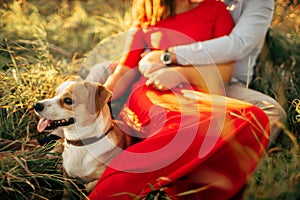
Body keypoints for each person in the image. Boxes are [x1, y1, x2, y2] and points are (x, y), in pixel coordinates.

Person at [87, 0, 270, 199]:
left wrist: (181, 74)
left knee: (253, 116)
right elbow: (125, 69)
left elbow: (226, 70)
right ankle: (113, 186)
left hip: (196, 91)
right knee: (179, 126)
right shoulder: (148, 15)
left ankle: (189, 185)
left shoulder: (215, 9)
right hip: (151, 91)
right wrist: (93, 105)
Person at [138, 0, 286, 147]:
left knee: (271, 113)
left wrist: (171, 55)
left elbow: (238, 45)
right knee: (180, 116)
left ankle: (233, 161)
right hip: (176, 81)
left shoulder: (259, 2)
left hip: (226, 83)